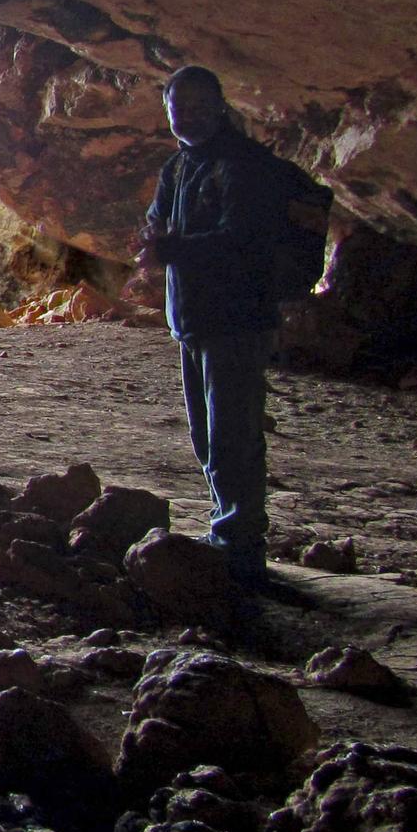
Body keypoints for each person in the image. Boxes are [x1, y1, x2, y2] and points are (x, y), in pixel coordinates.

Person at [136, 65, 285, 586]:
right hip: (194, 320)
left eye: (198, 106)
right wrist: (156, 242)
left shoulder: (243, 166)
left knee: (232, 436)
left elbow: (242, 241)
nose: (187, 116)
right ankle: (230, 532)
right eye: (178, 107)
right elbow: (158, 226)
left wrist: (169, 249)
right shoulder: (178, 168)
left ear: (221, 106)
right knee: (207, 436)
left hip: (237, 320)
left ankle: (242, 548)